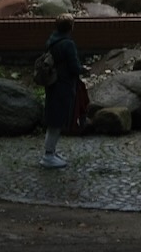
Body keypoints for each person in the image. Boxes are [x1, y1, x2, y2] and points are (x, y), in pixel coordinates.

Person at [40, 13, 83, 168]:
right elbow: (74, 66)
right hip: (63, 85)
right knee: (56, 121)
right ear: (70, 27)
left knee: (53, 118)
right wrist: (82, 69)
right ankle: (48, 155)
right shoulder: (68, 44)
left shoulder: (51, 41)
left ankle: (51, 151)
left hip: (53, 83)